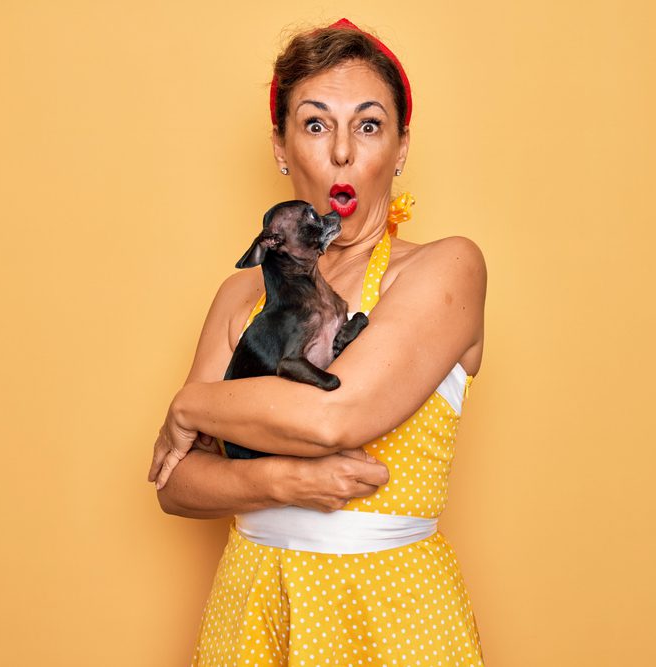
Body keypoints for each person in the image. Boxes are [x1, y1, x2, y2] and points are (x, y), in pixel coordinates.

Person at [150, 18, 487, 666]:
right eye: (314, 124)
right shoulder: (239, 296)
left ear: (400, 145)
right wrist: (287, 479)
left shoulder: (444, 269)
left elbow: (335, 414)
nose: (341, 153)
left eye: (368, 125)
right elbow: (175, 483)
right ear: (280, 147)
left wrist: (192, 406)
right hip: (253, 601)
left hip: (390, 612)